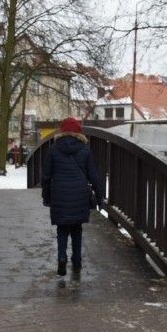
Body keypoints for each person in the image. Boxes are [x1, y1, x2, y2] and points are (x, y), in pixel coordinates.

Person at [41, 117, 105, 275]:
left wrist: (46, 196)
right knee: (77, 228)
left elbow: (46, 176)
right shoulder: (85, 149)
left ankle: (62, 257)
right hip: (80, 194)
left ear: (62, 131)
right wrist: (99, 196)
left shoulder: (53, 149)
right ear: (78, 132)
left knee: (62, 229)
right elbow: (93, 175)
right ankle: (77, 261)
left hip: (59, 193)